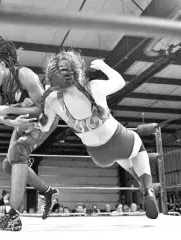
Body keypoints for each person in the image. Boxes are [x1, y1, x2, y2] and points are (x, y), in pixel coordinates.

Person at [38, 51, 158, 220]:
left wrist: (45, 101)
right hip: (120, 139)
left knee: (122, 159)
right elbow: (120, 82)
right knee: (138, 149)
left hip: (98, 155)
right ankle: (148, 188)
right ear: (77, 71)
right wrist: (103, 66)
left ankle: (141, 184)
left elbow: (44, 127)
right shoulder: (93, 87)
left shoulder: (52, 100)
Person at [0, 36, 59, 231]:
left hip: (46, 119)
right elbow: (0, 115)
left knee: (19, 152)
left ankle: (12, 216)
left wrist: (11, 111)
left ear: (3, 65)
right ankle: (47, 192)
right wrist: (12, 120)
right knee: (8, 166)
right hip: (23, 122)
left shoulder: (24, 75)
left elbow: (41, 109)